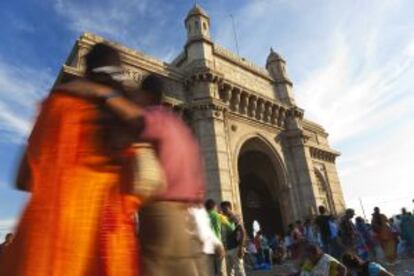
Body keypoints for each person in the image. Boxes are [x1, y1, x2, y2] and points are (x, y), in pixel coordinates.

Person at [0, 43, 140, 276]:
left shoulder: (57, 105)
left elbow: (23, 178)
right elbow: (135, 188)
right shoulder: (126, 122)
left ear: (86, 70)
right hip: (109, 249)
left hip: (50, 244)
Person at [59, 73, 207, 275]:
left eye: (138, 95)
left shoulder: (157, 116)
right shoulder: (181, 128)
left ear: (148, 95)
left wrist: (103, 92)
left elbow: (135, 118)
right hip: (185, 221)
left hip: (160, 214)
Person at [205, 199, 231, 276]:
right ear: (214, 207)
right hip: (217, 245)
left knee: (210, 271)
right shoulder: (218, 216)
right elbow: (230, 228)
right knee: (221, 270)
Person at [220, 201, 246, 276]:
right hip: (227, 248)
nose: (223, 211)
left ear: (230, 208)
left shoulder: (235, 217)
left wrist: (241, 247)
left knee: (239, 271)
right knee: (229, 272)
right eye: (222, 210)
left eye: (225, 209)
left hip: (236, 247)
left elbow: (243, 232)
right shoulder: (224, 219)